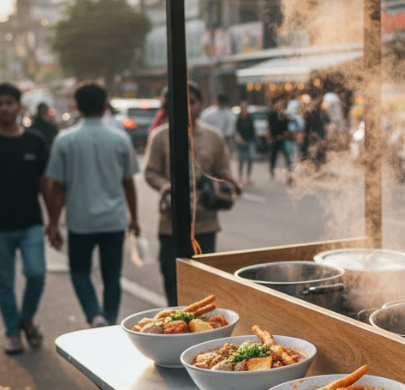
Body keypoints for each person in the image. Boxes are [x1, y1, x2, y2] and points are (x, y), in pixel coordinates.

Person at [45, 82, 140, 327]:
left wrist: (53, 223)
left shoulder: (65, 140)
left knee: (79, 271)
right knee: (112, 277)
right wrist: (134, 218)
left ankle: (94, 314)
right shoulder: (120, 139)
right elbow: (128, 183)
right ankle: (109, 320)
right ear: (104, 106)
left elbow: (57, 187)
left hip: (80, 221)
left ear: (76, 106)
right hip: (113, 220)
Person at [144, 82, 238, 303]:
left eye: (191, 102)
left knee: (205, 282)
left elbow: (223, 169)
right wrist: (166, 186)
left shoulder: (213, 137)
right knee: (173, 280)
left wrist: (230, 182)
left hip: (205, 223)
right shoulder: (159, 137)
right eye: (178, 103)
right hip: (171, 226)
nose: (186, 108)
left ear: (201, 104)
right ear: (167, 107)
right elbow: (150, 173)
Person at [0, 83, 50, 354]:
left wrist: (54, 221)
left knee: (36, 273)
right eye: (1, 103)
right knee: (4, 284)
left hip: (31, 222)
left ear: (18, 106)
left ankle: (27, 318)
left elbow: (46, 183)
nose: (5, 107)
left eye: (9, 102)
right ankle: (13, 332)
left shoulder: (34, 140)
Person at [267, 96, 291, 180]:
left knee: (287, 156)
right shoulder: (272, 114)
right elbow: (269, 127)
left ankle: (290, 173)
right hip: (274, 138)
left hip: (283, 139)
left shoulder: (284, 115)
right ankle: (272, 171)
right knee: (273, 156)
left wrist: (285, 135)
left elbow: (287, 128)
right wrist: (270, 138)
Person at [235, 102, 256, 185]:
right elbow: (236, 129)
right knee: (241, 159)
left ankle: (248, 177)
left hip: (250, 140)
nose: (244, 109)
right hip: (241, 141)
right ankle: (240, 177)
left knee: (251, 158)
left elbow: (253, 129)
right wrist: (238, 137)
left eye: (245, 108)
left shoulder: (250, 117)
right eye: (243, 108)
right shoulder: (238, 118)